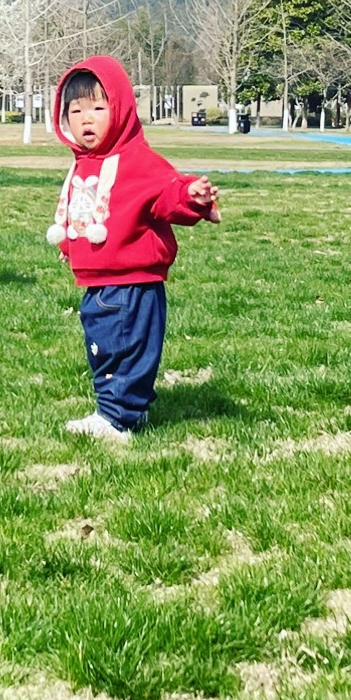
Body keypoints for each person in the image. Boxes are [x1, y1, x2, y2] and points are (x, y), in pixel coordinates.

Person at [48, 56, 220, 442]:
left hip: (131, 283)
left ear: (121, 109)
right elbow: (86, 211)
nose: (86, 119)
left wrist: (192, 196)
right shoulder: (85, 163)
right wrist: (73, 246)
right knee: (104, 348)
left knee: (124, 348)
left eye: (97, 108)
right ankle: (118, 411)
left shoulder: (137, 160)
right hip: (98, 282)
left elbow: (169, 192)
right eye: (75, 111)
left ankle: (118, 418)